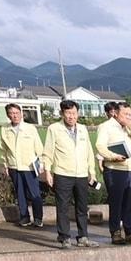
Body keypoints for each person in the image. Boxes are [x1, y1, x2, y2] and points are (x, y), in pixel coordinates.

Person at [41, 99, 98, 248]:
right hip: (63, 173)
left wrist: (92, 171)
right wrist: (48, 172)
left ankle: (83, 236)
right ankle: (64, 237)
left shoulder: (83, 129)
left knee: (82, 207)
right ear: (62, 114)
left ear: (78, 113)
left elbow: (89, 152)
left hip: (81, 174)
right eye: (68, 113)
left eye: (74, 113)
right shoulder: (54, 129)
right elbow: (48, 152)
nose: (71, 116)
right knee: (63, 207)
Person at [95, 101, 131, 244]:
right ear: (116, 113)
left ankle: (130, 230)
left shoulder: (129, 127)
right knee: (116, 202)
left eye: (130, 114)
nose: (128, 117)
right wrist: (112, 156)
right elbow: (100, 146)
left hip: (129, 170)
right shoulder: (106, 127)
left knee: (129, 201)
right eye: (125, 114)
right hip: (114, 169)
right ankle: (115, 231)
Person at [0, 103, 43, 227]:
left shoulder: (30, 128)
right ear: (8, 115)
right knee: (20, 194)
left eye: (17, 113)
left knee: (35, 193)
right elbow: (3, 149)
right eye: (12, 113)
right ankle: (24, 217)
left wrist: (41, 162)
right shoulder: (5, 129)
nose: (15, 116)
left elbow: (38, 146)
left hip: (29, 166)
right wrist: (5, 165)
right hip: (14, 166)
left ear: (21, 114)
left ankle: (38, 218)